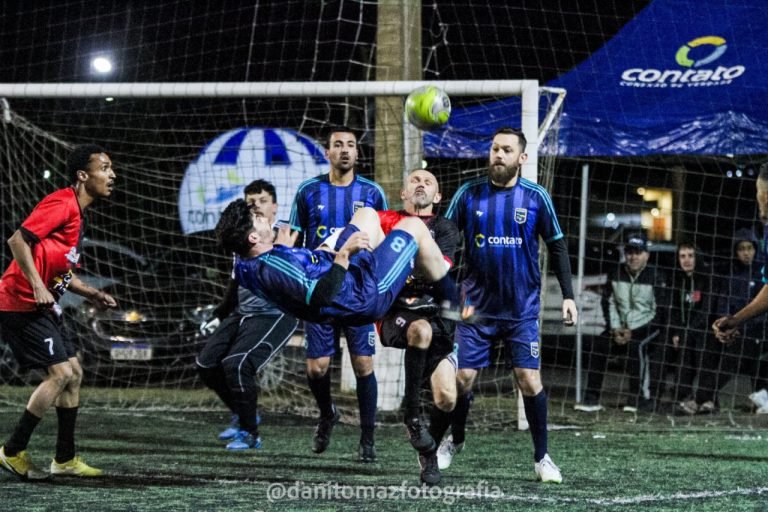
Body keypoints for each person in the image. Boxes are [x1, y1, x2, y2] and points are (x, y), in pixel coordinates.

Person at [439, 127, 578, 484]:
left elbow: (558, 245)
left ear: (522, 158)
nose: (498, 155)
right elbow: (446, 241)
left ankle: (542, 458)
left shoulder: (535, 197)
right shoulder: (468, 194)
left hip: (520, 310)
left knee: (529, 380)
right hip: (475, 309)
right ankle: (455, 439)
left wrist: (568, 295)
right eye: (494, 148)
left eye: (506, 150)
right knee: (461, 378)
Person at [0, 145, 118, 480]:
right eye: (105, 168)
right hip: (20, 302)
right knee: (61, 375)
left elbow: (60, 269)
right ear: (83, 175)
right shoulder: (62, 203)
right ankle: (12, 451)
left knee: (74, 374)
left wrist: (91, 292)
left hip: (43, 304)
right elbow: (17, 241)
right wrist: (37, 285)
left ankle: (64, 459)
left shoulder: (79, 215)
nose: (112, 175)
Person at [287, 126, 388, 463]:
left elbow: (382, 240)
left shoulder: (372, 193)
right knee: (317, 368)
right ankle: (327, 413)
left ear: (358, 154)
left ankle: (368, 438)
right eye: (337, 145)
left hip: (357, 290)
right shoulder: (308, 191)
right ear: (327, 152)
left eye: (351, 145)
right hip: (320, 290)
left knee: (363, 364)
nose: (344, 150)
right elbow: (293, 241)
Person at [195, 180, 299, 450]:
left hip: (274, 313)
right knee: (206, 364)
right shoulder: (244, 238)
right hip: (244, 313)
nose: (256, 207)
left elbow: (297, 278)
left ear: (275, 206)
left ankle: (250, 433)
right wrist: (219, 314)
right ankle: (244, 413)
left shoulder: (289, 236)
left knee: (238, 364)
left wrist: (285, 252)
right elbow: (234, 283)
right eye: (251, 203)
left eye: (262, 201)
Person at [376, 168, 460, 485]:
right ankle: (411, 416)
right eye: (414, 180)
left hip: (434, 313)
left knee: (448, 398)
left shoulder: (446, 228)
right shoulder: (387, 222)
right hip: (395, 313)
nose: (421, 184)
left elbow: (437, 272)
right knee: (420, 330)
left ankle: (429, 457)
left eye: (428, 182)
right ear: (403, 194)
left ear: (437, 196)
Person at [575, 231, 667, 415]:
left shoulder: (656, 276)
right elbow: (608, 302)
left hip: (647, 328)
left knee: (637, 347)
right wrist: (615, 328)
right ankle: (591, 399)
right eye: (630, 252)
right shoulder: (616, 272)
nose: (633, 257)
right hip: (620, 327)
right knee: (598, 345)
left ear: (646, 255)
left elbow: (659, 312)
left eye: (638, 252)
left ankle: (638, 399)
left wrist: (634, 331)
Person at [705, 225, 768, 413]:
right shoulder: (731, 276)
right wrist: (726, 323)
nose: (746, 253)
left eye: (749, 248)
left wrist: (741, 324)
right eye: (741, 249)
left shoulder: (760, 272)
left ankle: (761, 394)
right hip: (740, 330)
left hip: (759, 329)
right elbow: (724, 303)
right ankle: (707, 396)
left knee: (752, 350)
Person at [663, 243, 714, 415]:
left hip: (702, 330)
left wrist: (689, 330)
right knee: (683, 357)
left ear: (697, 257)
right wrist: (676, 331)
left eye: (690, 255)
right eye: (682, 256)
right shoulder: (675, 279)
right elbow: (673, 309)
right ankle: (683, 397)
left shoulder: (706, 278)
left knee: (702, 356)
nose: (686, 260)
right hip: (683, 331)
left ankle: (708, 399)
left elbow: (706, 309)